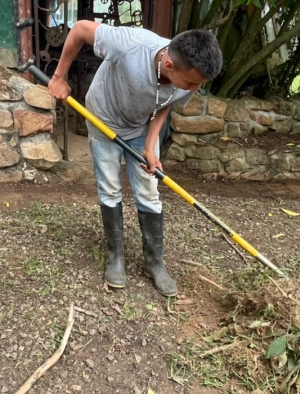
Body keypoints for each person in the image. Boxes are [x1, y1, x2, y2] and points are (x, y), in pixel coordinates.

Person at [48, 21, 223, 297]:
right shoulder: (130, 44)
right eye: (191, 82)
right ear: (168, 65)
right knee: (110, 186)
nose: (193, 89)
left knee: (148, 190)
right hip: (103, 117)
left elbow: (164, 105)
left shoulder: (190, 79)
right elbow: (80, 29)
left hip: (139, 126)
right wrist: (59, 77)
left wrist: (151, 146)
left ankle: (154, 263)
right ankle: (115, 257)